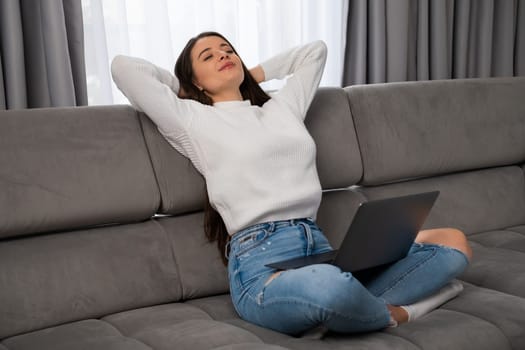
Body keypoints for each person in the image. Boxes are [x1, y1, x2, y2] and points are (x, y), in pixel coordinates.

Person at [111, 31, 473, 336]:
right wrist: (184, 89)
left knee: (454, 243)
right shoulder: (192, 120)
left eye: (228, 50)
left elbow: (314, 51)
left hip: (320, 249)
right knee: (329, 287)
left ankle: (346, 308)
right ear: (196, 81)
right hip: (261, 270)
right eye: (208, 56)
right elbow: (124, 69)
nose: (224, 55)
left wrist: (248, 74)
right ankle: (396, 313)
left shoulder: (281, 109)